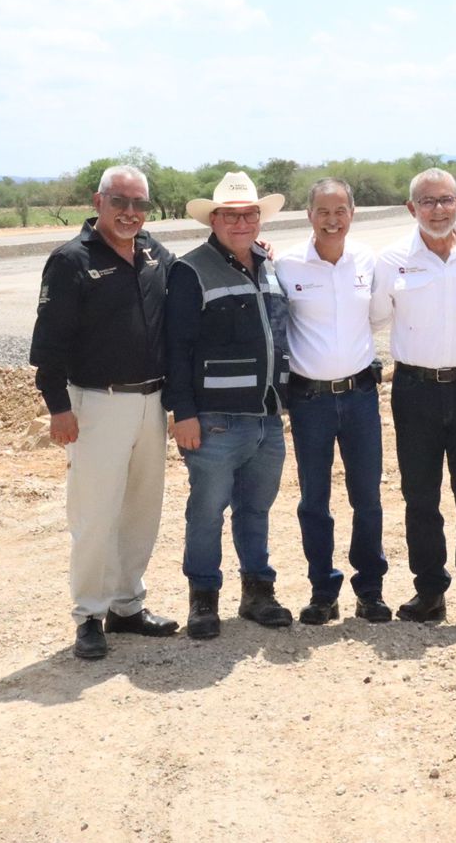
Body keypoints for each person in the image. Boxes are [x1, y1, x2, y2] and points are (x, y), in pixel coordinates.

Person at [29, 165, 180, 660]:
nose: (130, 213)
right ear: (98, 203)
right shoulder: (70, 260)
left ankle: (126, 605)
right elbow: (49, 345)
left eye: (140, 204)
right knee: (95, 514)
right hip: (97, 404)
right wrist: (58, 408)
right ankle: (89, 615)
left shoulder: (154, 253)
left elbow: (193, 279)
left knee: (140, 510)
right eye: (120, 202)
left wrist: (253, 253)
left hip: (152, 403)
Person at [166, 170, 295, 639]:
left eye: (248, 215)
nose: (241, 223)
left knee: (256, 509)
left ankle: (258, 592)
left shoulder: (271, 265)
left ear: (259, 218)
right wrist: (183, 413)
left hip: (266, 418)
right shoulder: (191, 270)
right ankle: (203, 599)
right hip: (215, 421)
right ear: (214, 220)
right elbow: (175, 348)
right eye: (230, 215)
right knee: (206, 511)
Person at [370, 167, 456, 631]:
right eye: (427, 202)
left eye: (446, 199)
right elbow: (373, 318)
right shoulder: (391, 260)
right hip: (415, 391)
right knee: (420, 496)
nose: (438, 209)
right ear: (412, 208)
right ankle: (429, 591)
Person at [275, 178, 391, 625]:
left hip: (360, 397)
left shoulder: (367, 261)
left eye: (340, 210)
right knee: (314, 500)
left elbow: (376, 317)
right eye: (323, 211)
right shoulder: (286, 265)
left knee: (368, 498)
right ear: (309, 215)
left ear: (352, 213)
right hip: (310, 402)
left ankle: (370, 590)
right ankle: (323, 590)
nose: (332, 220)